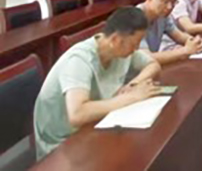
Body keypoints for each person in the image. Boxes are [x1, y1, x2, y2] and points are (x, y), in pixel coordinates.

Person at [33, 8, 162, 160]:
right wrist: (131, 98)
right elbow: (77, 114)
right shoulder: (79, 60)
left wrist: (133, 85)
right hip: (61, 142)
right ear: (115, 40)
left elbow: (153, 65)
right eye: (134, 44)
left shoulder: (120, 49)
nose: (136, 49)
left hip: (94, 125)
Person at [138, 0, 202, 65]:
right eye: (165, 1)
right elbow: (146, 58)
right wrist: (185, 51)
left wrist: (195, 41)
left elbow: (178, 35)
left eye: (173, 2)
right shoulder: (134, 19)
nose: (169, 7)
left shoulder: (163, 15)